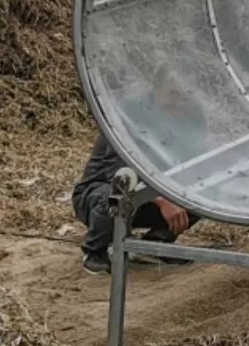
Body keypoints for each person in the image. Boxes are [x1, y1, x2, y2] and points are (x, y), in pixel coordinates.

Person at [72, 67, 206, 274]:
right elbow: (118, 174)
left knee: (205, 188)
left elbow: (198, 161)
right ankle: (95, 250)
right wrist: (163, 199)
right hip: (102, 191)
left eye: (185, 96)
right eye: (173, 94)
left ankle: (156, 243)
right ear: (156, 90)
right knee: (114, 197)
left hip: (154, 194)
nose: (178, 102)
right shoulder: (130, 115)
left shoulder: (191, 118)